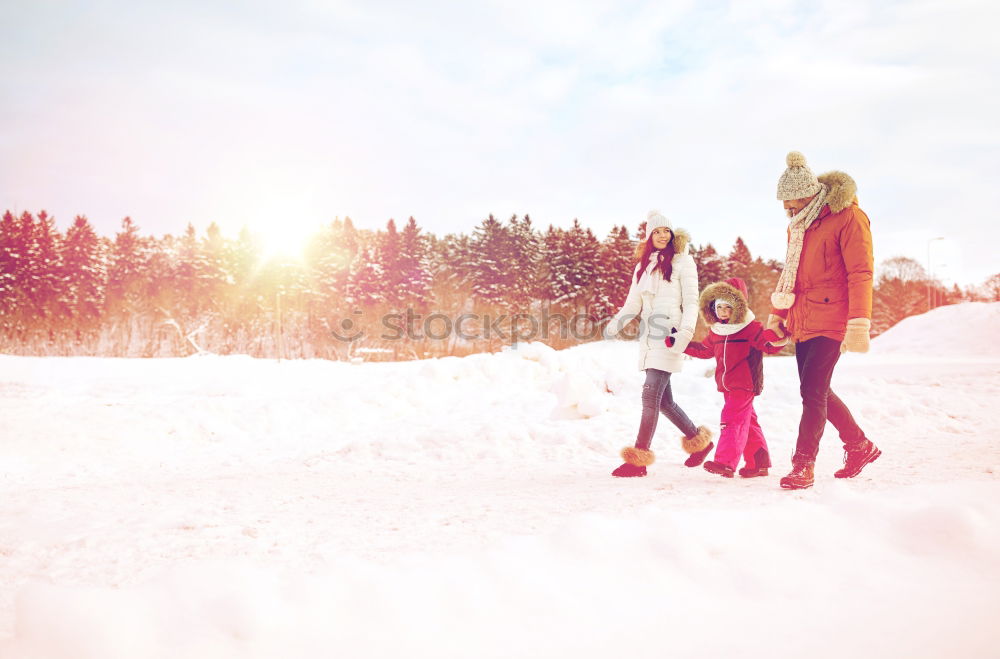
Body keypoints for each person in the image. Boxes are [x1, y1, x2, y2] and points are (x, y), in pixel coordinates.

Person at [768, 151, 880, 490]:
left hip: (833, 317)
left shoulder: (849, 218)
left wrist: (859, 322)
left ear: (808, 194)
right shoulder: (798, 227)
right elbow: (792, 276)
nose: (788, 210)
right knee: (814, 389)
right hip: (804, 316)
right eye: (785, 205)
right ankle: (859, 445)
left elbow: (861, 273)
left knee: (813, 393)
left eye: (792, 203)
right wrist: (778, 315)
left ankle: (803, 465)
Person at [604, 210, 713, 477]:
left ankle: (637, 461)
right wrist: (615, 323)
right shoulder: (643, 266)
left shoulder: (683, 262)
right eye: (657, 231)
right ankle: (700, 442)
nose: (662, 235)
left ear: (672, 234)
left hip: (670, 335)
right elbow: (633, 302)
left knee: (650, 395)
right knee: (664, 402)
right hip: (649, 337)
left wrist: (686, 332)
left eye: (666, 231)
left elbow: (690, 302)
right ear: (649, 236)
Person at [681, 277, 784, 478]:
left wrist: (778, 336)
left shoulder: (751, 328)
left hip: (744, 383)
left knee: (731, 420)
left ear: (738, 306)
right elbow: (704, 350)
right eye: (718, 308)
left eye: (727, 307)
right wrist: (680, 343)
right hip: (727, 385)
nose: (722, 312)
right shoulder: (717, 331)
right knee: (748, 422)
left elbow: (769, 346)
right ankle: (758, 462)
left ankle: (725, 463)